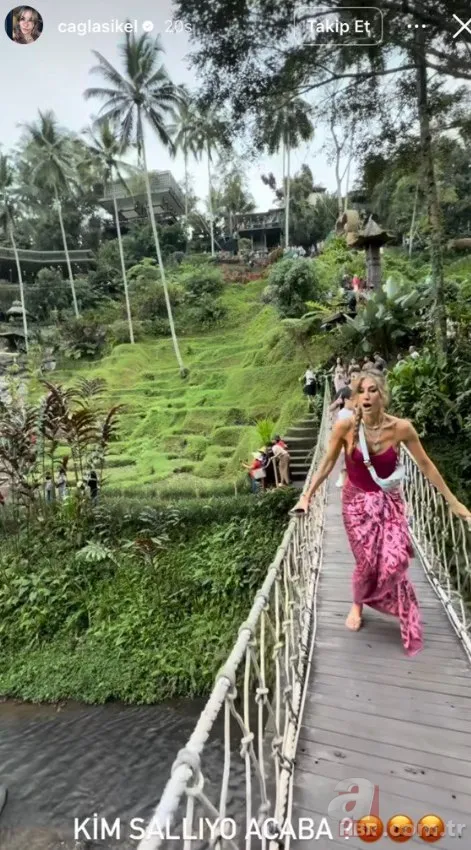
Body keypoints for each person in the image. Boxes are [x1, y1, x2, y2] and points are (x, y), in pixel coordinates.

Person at [291, 370, 471, 655]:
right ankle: (357, 605)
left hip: (389, 504)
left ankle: (393, 601)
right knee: (366, 563)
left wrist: (452, 501)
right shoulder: (346, 427)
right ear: (356, 396)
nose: (366, 395)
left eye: (372, 390)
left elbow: (425, 465)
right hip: (355, 505)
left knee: (394, 558)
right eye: (361, 390)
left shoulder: (401, 428)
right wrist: (306, 497)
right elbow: (326, 465)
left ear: (382, 395)